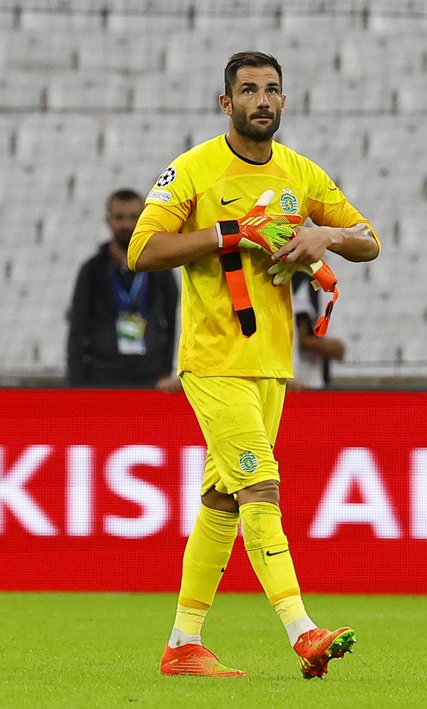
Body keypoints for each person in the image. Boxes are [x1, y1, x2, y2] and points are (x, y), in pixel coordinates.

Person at [128, 51, 380, 679]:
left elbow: (370, 241)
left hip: (272, 364)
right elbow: (142, 248)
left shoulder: (301, 174)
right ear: (227, 103)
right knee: (261, 485)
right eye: (248, 90)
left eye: (272, 90)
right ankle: (303, 630)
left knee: (222, 499)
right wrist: (229, 234)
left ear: (284, 102)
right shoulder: (194, 170)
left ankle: (183, 643)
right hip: (214, 360)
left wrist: (326, 237)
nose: (262, 100)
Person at [67, 188, 181, 390]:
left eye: (133, 217)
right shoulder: (91, 270)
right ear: (108, 220)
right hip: (102, 379)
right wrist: (77, 384)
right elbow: (78, 327)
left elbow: (173, 323)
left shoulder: (161, 268)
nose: (126, 224)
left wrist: (167, 372)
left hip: (152, 379)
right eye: (119, 217)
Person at [290, 270, 346, 390]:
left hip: (310, 386)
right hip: (271, 384)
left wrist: (305, 340)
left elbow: (339, 350)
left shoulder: (316, 288)